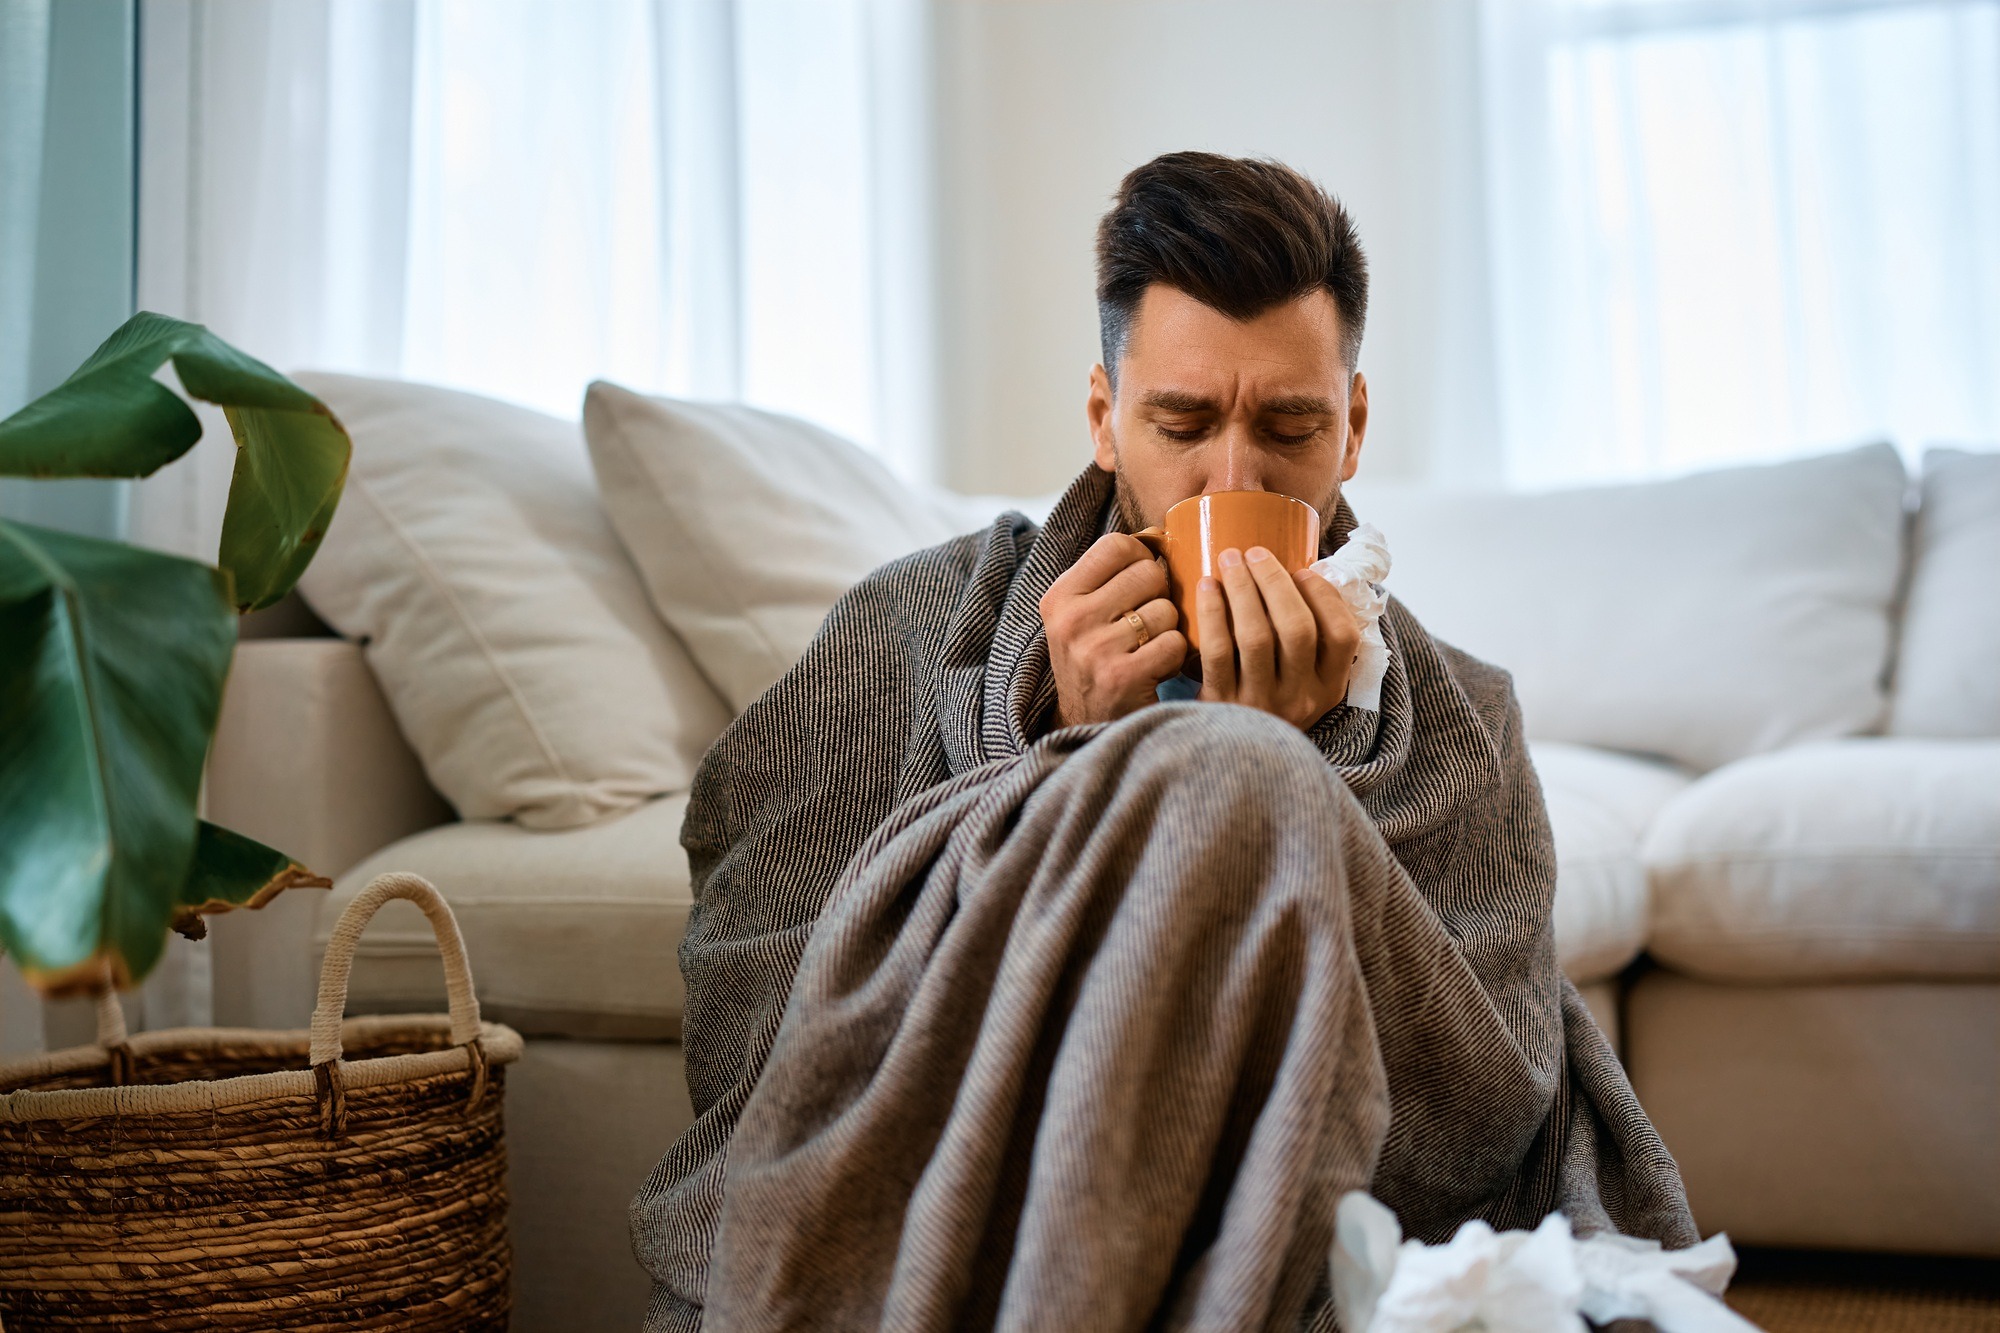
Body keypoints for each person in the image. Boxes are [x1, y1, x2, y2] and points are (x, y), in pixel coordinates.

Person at [632, 151, 1695, 1333]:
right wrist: (1072, 757)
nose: (1228, 476)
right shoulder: (906, 631)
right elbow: (757, 1024)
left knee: (1239, 773)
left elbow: (1473, 1131)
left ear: (1351, 428)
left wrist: (1283, 782)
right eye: (1179, 423)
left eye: (1289, 426)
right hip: (972, 1183)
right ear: (1103, 418)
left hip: (1296, 1221)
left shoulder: (1465, 723)